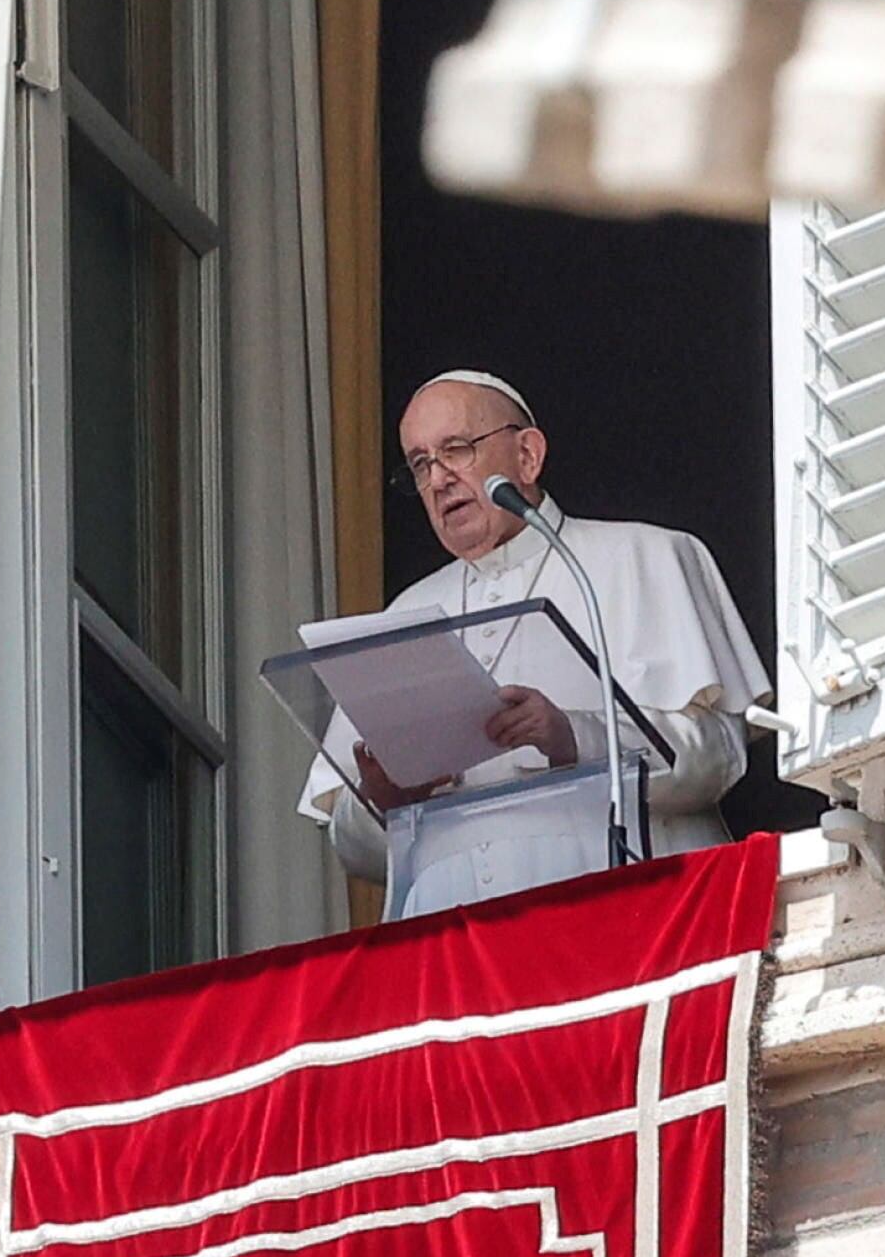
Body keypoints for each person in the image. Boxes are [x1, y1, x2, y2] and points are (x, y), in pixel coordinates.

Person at [297, 371, 768, 916]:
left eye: (457, 450)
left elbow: (718, 759)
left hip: (626, 915)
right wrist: (387, 801)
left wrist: (574, 736)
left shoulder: (645, 556)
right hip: (455, 944)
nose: (440, 479)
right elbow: (351, 849)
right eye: (421, 464)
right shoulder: (404, 616)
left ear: (527, 454)